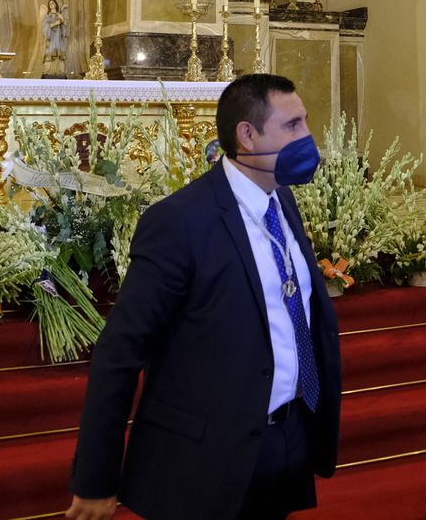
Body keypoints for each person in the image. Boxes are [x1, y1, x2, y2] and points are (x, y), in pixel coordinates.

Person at [67, 73, 342, 520]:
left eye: (305, 122)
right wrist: (96, 477)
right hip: (205, 460)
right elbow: (120, 353)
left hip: (285, 438)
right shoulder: (179, 222)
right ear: (247, 135)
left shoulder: (282, 202)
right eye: (293, 126)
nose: (307, 137)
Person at [40, 0, 68, 77]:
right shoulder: (47, 16)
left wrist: (61, 18)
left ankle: (60, 71)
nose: (51, 5)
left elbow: (65, 26)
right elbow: (45, 28)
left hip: (59, 39)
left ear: (55, 4)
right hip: (51, 39)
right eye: (50, 4)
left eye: (52, 3)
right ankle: (49, 71)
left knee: (60, 55)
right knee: (50, 54)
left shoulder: (59, 15)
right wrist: (56, 23)